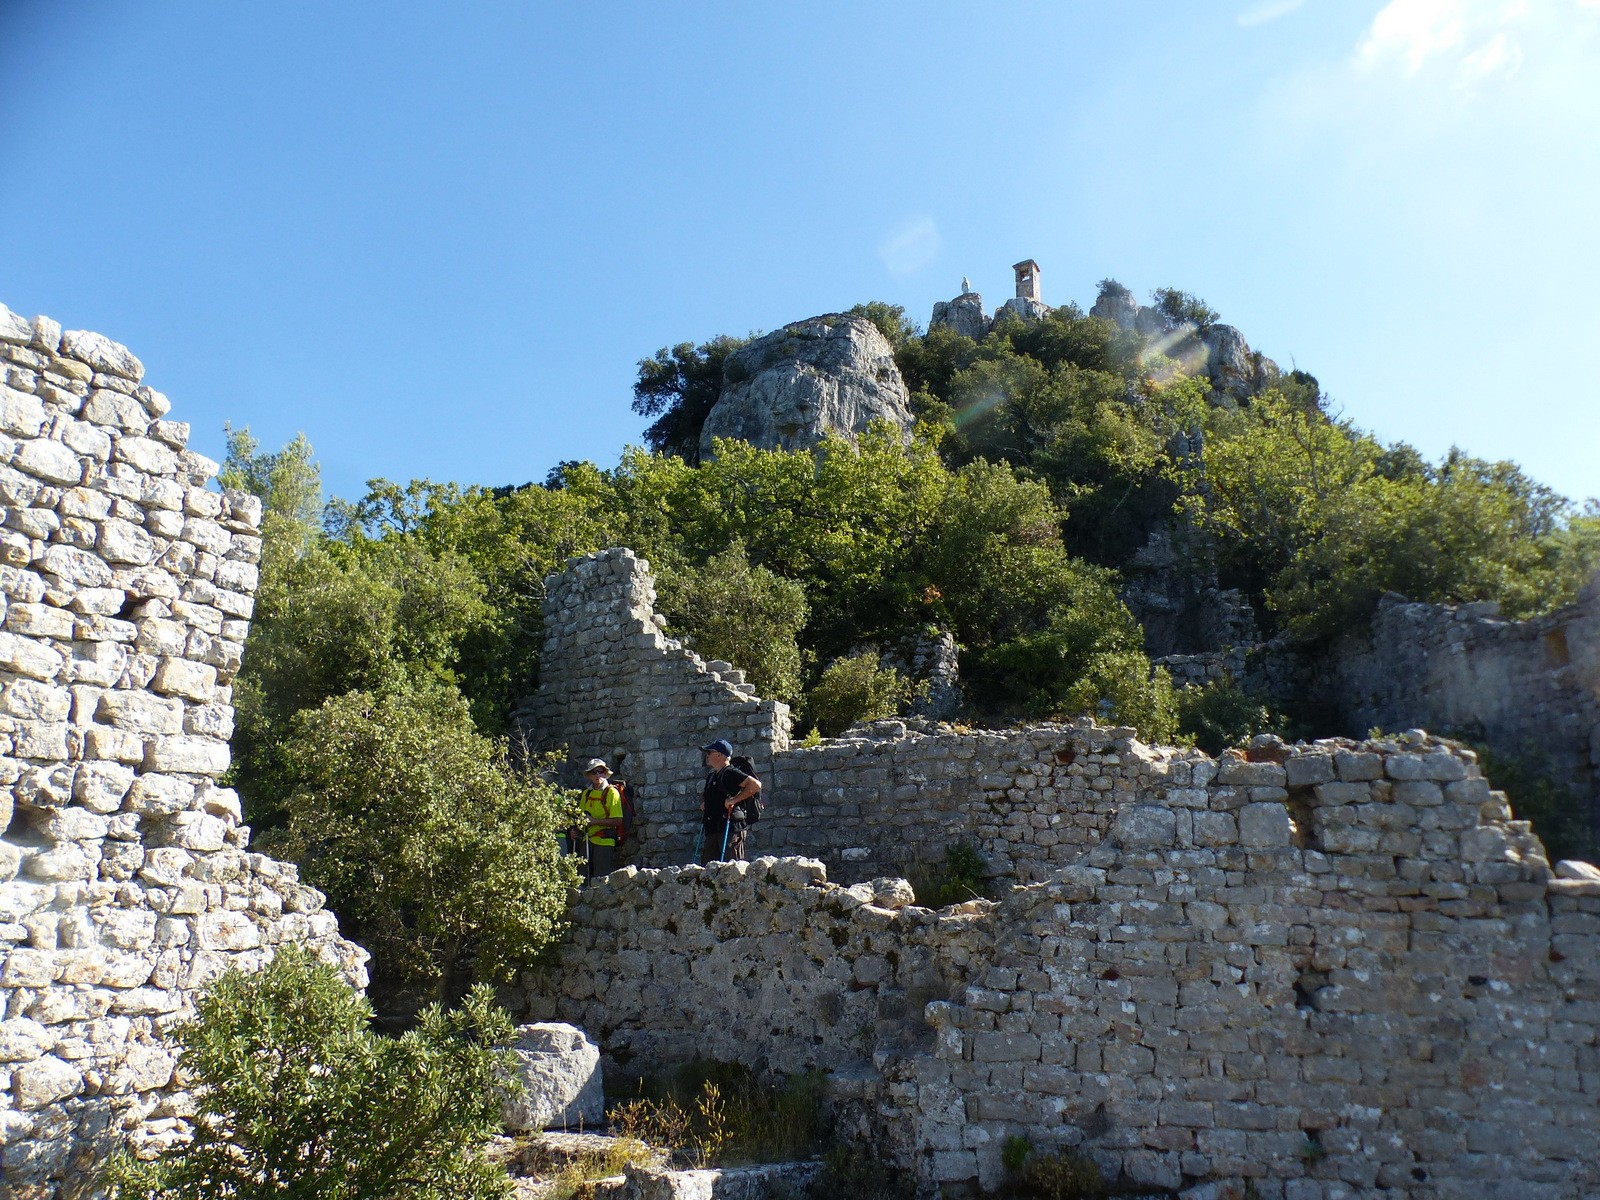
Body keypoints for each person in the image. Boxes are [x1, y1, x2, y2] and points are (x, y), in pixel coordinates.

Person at [698, 738, 760, 865]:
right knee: (708, 871)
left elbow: (755, 785)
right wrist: (705, 803)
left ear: (719, 755)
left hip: (730, 829)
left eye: (709, 752)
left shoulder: (730, 773)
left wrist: (734, 800)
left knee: (731, 869)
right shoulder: (712, 775)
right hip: (712, 829)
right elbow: (707, 794)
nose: (707, 755)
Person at [577, 759, 625, 882]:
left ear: (605, 773)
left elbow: (618, 820)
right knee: (582, 879)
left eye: (600, 771)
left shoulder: (611, 792)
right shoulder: (586, 794)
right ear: (589, 775)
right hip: (587, 839)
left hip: (604, 841)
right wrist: (575, 830)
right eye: (594, 772)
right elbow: (580, 816)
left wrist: (594, 821)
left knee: (600, 881)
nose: (598, 775)